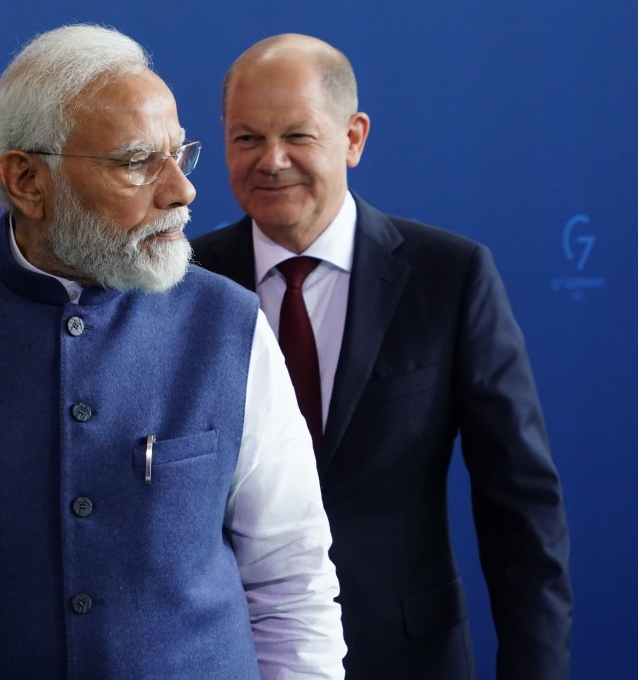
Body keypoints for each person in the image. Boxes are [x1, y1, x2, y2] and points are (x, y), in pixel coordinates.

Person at [0, 25, 346, 679]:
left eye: (178, 156)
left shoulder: (230, 324)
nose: (180, 192)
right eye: (137, 162)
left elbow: (293, 586)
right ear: (26, 180)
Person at [192, 34, 572, 680]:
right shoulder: (183, 287)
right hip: (232, 660)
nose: (271, 161)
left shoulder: (450, 278)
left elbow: (521, 510)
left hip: (409, 658)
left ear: (354, 137)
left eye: (298, 136)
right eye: (247, 138)